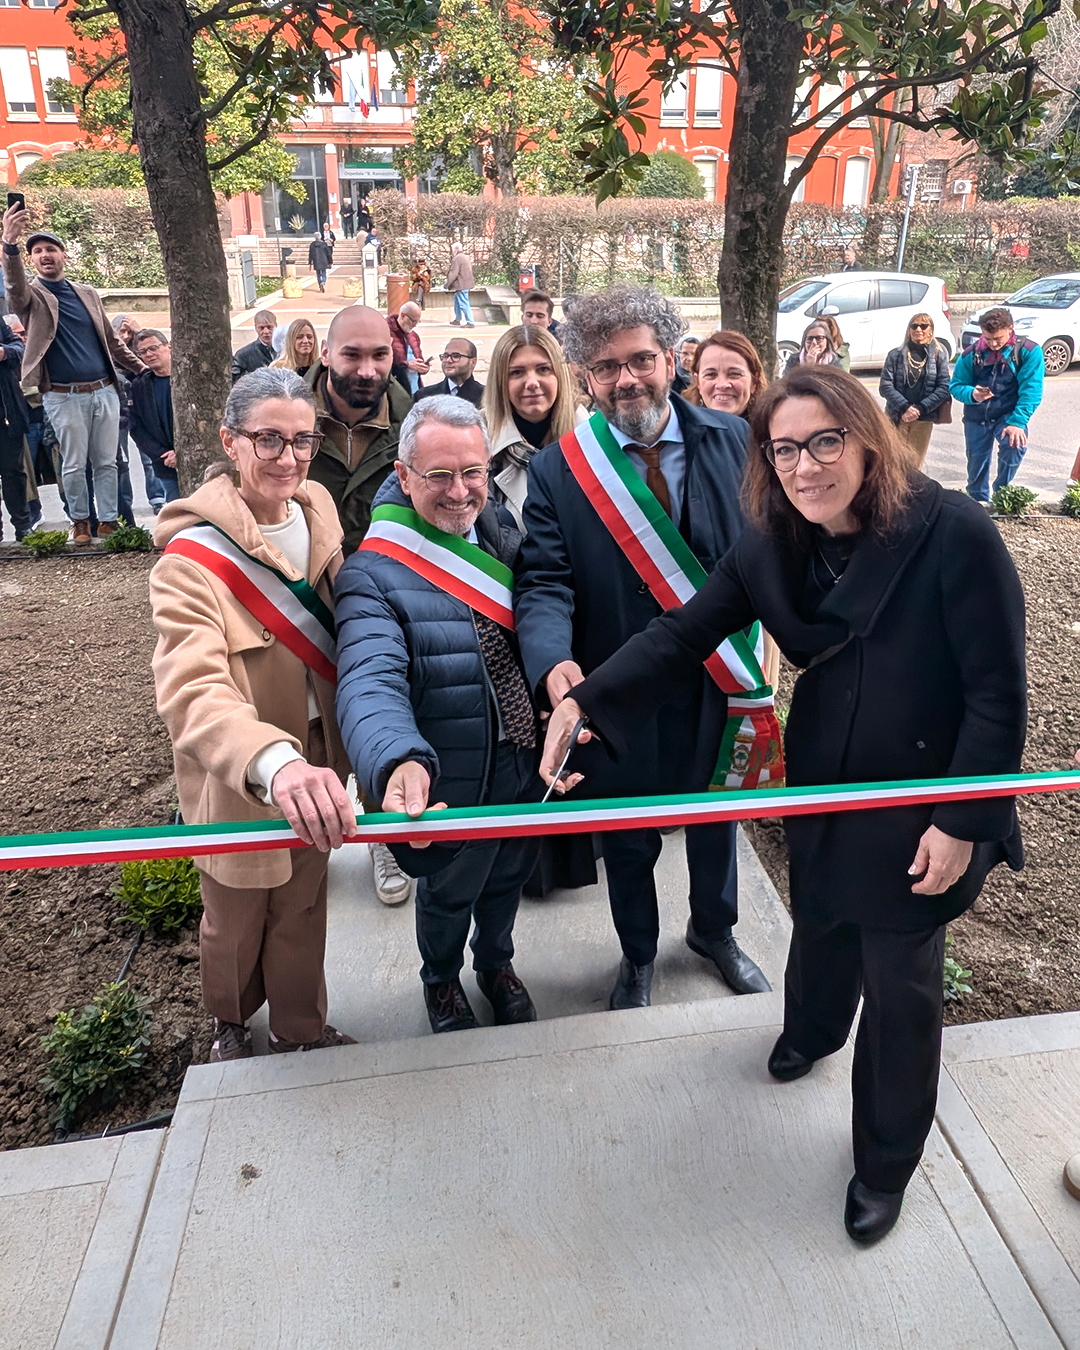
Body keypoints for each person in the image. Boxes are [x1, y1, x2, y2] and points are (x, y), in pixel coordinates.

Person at [541, 363, 1026, 1246]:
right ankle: (811, 1031)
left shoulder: (954, 532)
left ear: (867, 441)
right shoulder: (771, 540)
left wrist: (963, 821)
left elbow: (998, 697)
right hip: (828, 773)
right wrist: (586, 702)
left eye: (825, 442)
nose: (805, 467)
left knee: (901, 984)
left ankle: (885, 1162)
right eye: (784, 449)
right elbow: (683, 634)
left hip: (926, 794)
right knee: (823, 917)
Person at [515, 285, 775, 1010]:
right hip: (618, 684)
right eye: (606, 368)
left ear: (670, 359)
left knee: (717, 817)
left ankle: (714, 931)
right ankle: (637, 955)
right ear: (585, 379)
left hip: (718, 674)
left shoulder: (736, 440)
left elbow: (772, 550)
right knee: (627, 833)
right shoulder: (559, 469)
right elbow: (544, 581)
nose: (626, 380)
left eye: (640, 360)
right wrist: (552, 661)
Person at [150, 367, 360, 1061]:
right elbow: (193, 687)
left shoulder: (319, 507)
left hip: (320, 750)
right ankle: (231, 1022)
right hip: (243, 767)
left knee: (304, 901)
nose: (288, 458)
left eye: (303, 441)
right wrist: (274, 764)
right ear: (230, 442)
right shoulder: (189, 560)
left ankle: (301, 1027)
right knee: (235, 913)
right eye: (268, 439)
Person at [335, 396, 539, 1033]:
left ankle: (497, 963)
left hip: (523, 759)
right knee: (450, 893)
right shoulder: (372, 571)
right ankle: (442, 980)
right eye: (439, 475)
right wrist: (396, 757)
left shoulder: (507, 535)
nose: (459, 491)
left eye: (472, 472)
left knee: (508, 876)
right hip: (448, 771)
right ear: (403, 476)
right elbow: (370, 679)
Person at [1, 206, 145, 545]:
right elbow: (15, 286)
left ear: (63, 255)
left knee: (107, 462)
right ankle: (80, 521)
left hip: (104, 390)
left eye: (51, 249)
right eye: (38, 251)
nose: (45, 255)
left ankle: (108, 521)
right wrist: (10, 243)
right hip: (62, 395)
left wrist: (141, 369)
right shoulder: (32, 297)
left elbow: (111, 342)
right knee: (74, 463)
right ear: (32, 260)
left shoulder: (87, 293)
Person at [304, 306, 412, 553]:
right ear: (325, 353)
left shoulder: (415, 431)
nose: (367, 371)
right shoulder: (283, 426)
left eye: (379, 355)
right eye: (352, 355)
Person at [482, 324, 583, 531]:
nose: (532, 383)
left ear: (560, 374)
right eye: (517, 372)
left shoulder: (593, 440)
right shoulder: (476, 439)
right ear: (500, 382)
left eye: (543, 369)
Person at [951, 305, 1044, 504]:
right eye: (988, 339)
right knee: (976, 465)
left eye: (998, 339)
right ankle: (977, 501)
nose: (993, 344)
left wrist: (1018, 422)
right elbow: (956, 385)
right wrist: (972, 394)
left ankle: (1001, 493)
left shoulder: (1028, 351)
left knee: (1015, 446)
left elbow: (1031, 391)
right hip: (977, 416)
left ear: (1011, 328)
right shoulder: (971, 354)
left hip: (1008, 414)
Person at [879, 314, 952, 469]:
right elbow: (885, 386)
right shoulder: (895, 355)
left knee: (914, 466)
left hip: (922, 419)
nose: (918, 329)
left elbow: (944, 388)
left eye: (923, 326)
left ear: (931, 330)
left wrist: (919, 409)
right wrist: (905, 407)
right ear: (909, 329)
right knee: (891, 463)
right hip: (896, 416)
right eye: (914, 326)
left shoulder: (939, 355)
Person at [112, 314, 165, 513]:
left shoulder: (140, 354)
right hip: (119, 409)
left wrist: (139, 331)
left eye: (129, 332)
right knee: (121, 460)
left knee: (149, 458)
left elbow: (149, 358)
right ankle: (125, 503)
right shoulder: (110, 353)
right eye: (122, 332)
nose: (126, 336)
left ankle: (157, 497)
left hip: (140, 406)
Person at [129, 329, 180, 503]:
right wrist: (163, 454)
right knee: (176, 512)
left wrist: (181, 452)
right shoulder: (140, 386)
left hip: (199, 460)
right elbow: (137, 428)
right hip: (165, 464)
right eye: (143, 352)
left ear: (168, 347)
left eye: (153, 348)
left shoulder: (189, 379)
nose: (149, 354)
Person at [685, 330, 767, 419]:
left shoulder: (772, 426)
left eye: (734, 374)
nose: (722, 385)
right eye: (711, 375)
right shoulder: (681, 425)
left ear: (754, 381)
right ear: (698, 382)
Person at [0, 312, 31, 541]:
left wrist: (4, 352)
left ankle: (23, 527)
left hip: (7, 413)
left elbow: (19, 347)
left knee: (14, 473)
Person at [415, 337, 484, 408]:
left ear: (473, 362)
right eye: (445, 356)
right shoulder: (425, 396)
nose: (448, 360)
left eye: (456, 356)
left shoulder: (485, 397)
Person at [387, 301, 429, 396]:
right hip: (397, 392)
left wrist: (423, 367)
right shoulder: (386, 333)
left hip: (415, 391)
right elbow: (382, 364)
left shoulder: (414, 336)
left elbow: (419, 360)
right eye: (413, 321)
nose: (414, 325)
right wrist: (407, 365)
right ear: (402, 316)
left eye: (417, 322)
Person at [231, 310, 278, 383]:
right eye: (261, 328)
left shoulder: (286, 349)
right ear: (255, 328)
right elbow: (235, 379)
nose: (266, 332)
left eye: (269, 327)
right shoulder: (243, 355)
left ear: (276, 326)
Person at [446, 243, 476, 328]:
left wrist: (447, 285)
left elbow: (453, 273)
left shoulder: (456, 259)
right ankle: (457, 319)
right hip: (466, 283)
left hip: (461, 284)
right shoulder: (466, 257)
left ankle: (470, 322)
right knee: (457, 301)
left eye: (453, 250)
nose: (452, 251)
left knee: (463, 302)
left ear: (455, 250)